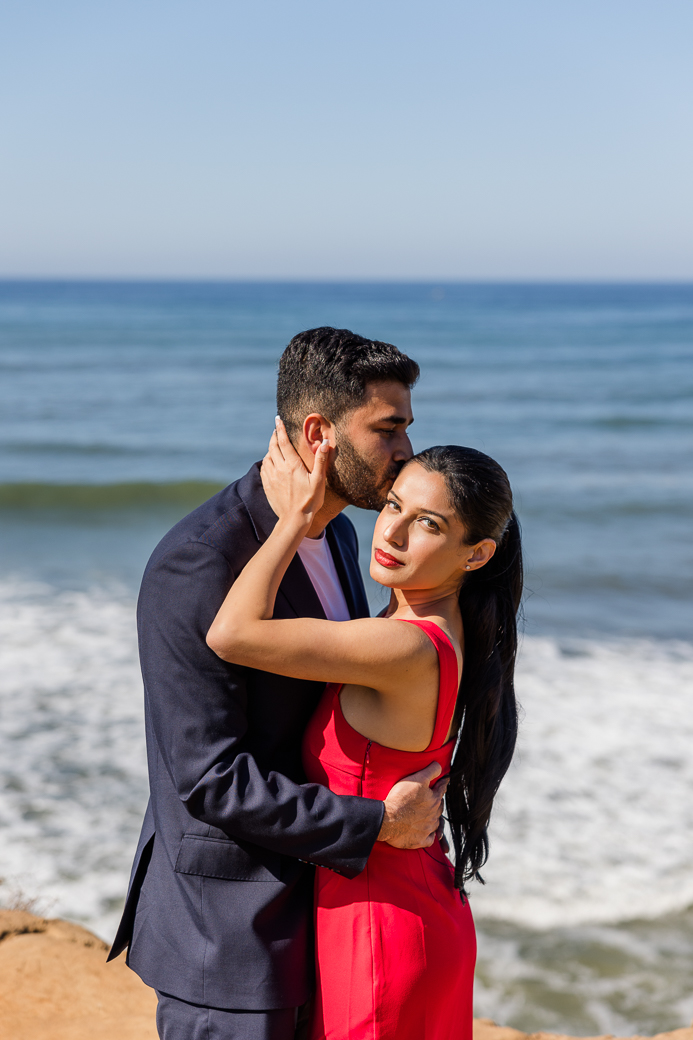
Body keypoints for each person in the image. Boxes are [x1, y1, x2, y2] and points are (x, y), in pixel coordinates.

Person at [108, 328, 449, 1040]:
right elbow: (209, 778)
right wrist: (376, 825)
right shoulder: (199, 565)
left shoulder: (348, 536)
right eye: (387, 430)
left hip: (318, 917)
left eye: (407, 430)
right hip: (228, 943)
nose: (404, 453)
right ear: (320, 434)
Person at [206, 422, 523, 1040]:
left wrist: (293, 520)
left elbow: (230, 635)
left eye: (428, 524)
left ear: (476, 553)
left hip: (381, 926)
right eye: (393, 505)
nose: (393, 533)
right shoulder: (435, 623)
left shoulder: (401, 644)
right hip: (405, 901)